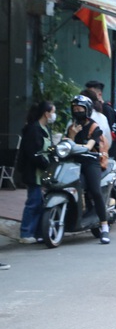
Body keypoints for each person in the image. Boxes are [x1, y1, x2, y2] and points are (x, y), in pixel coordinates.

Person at [67, 95, 110, 244]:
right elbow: (68, 144)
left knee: (95, 191)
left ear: (88, 110)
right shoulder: (71, 126)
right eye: (75, 109)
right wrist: (72, 135)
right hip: (75, 163)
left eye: (80, 109)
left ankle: (104, 227)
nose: (77, 111)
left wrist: (74, 144)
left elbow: (89, 147)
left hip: (91, 162)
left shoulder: (94, 127)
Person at [17, 101, 55, 244]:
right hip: (33, 172)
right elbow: (33, 153)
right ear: (46, 113)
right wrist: (45, 163)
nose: (53, 115)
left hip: (42, 172)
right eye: (52, 112)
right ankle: (26, 233)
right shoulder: (34, 130)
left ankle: (38, 232)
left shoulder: (45, 129)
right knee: (33, 202)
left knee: (40, 203)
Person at [85, 80, 116, 161]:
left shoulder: (106, 109)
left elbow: (110, 132)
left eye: (90, 94)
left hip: (106, 150)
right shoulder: (91, 109)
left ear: (99, 94)